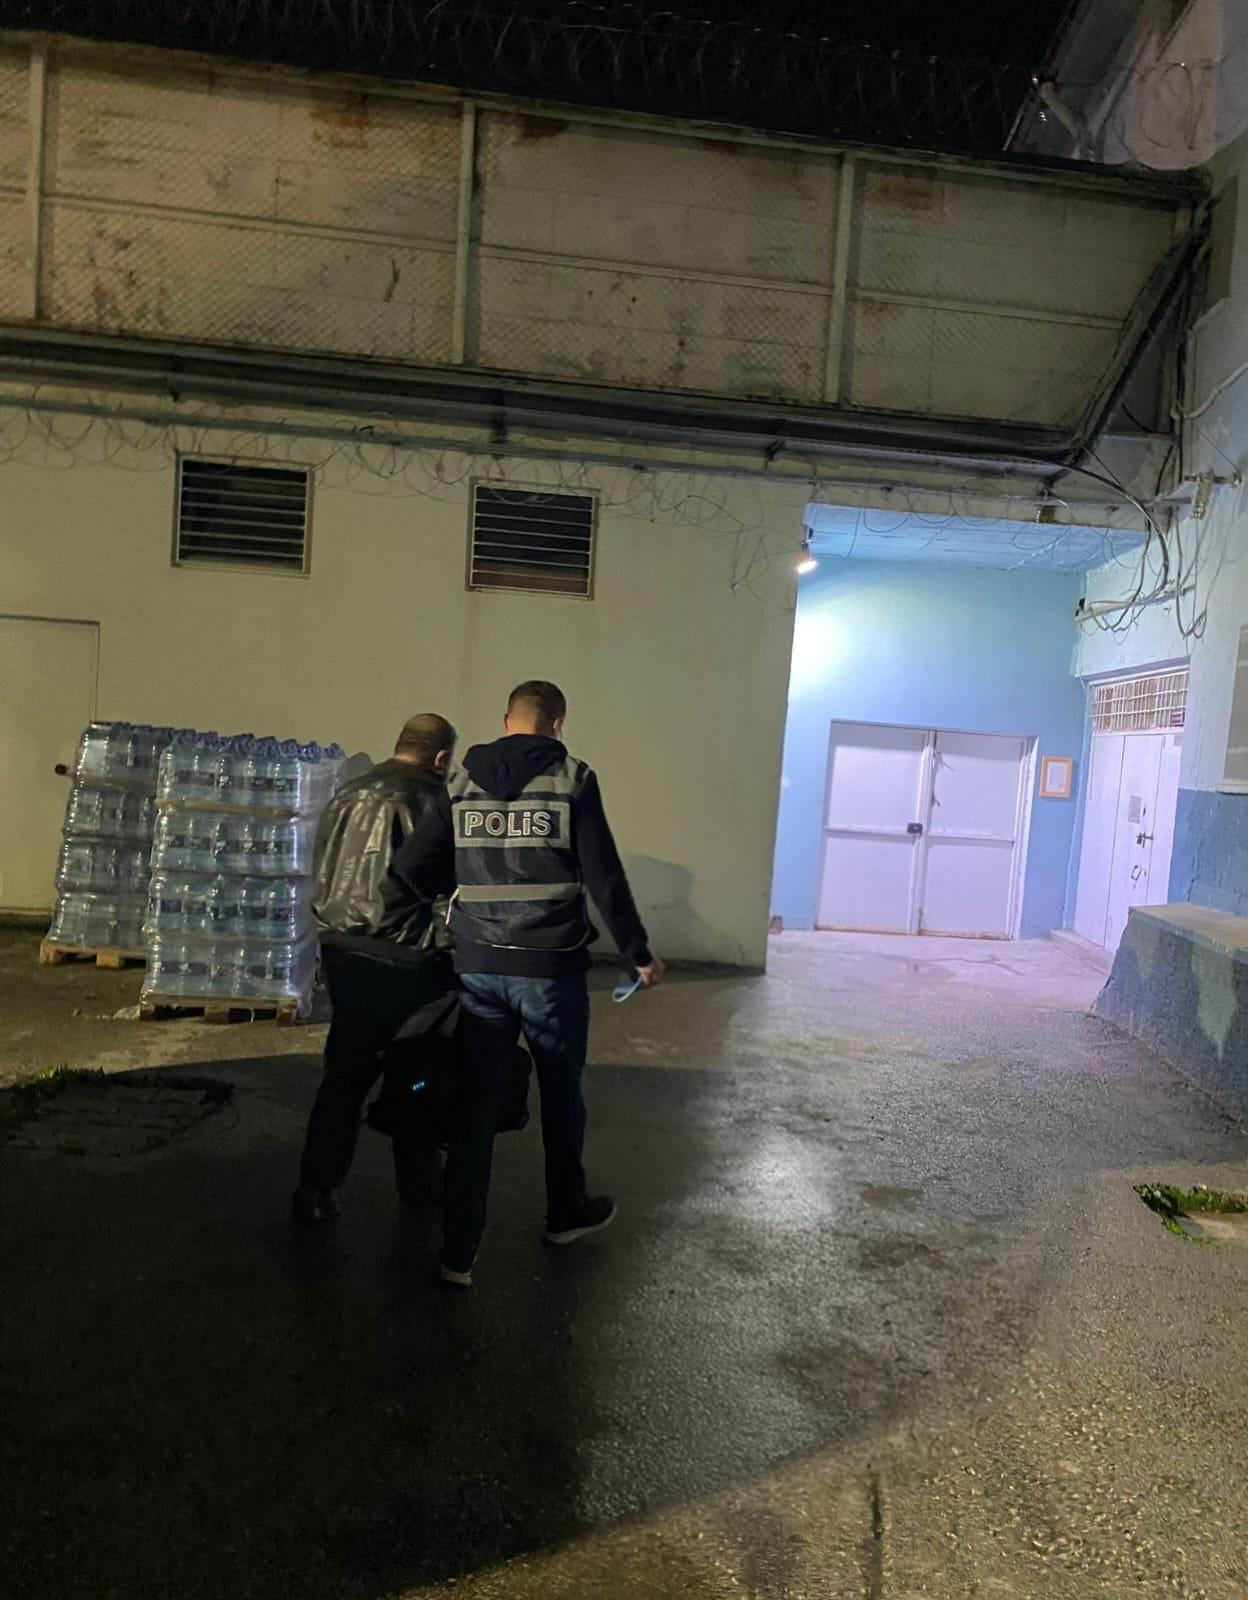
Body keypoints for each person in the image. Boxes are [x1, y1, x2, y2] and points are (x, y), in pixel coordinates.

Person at [393, 680, 663, 1287]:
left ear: (505, 720)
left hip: (479, 966)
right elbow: (604, 877)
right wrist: (638, 953)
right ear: (557, 722)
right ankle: (565, 1212)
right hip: (550, 969)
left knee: (476, 1104)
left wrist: (458, 909)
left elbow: (410, 867)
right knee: (561, 1092)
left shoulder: (462, 782)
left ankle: (459, 1251)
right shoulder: (572, 780)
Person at [293, 712, 458, 1223]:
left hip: (344, 949)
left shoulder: (348, 793)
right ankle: (419, 1188)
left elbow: (321, 867)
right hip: (409, 956)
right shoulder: (435, 802)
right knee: (418, 1074)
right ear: (441, 758)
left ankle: (316, 1188)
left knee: (345, 1074)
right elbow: (449, 888)